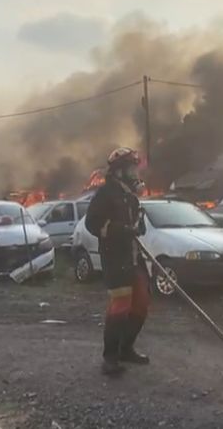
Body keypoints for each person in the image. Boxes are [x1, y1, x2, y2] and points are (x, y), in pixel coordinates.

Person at [85, 147, 150, 375]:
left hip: (133, 256)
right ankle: (110, 358)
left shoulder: (128, 195)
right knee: (119, 308)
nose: (135, 172)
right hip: (116, 258)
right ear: (120, 171)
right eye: (131, 168)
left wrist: (138, 227)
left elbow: (135, 222)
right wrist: (120, 229)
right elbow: (92, 223)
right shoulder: (105, 194)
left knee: (141, 303)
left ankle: (126, 349)